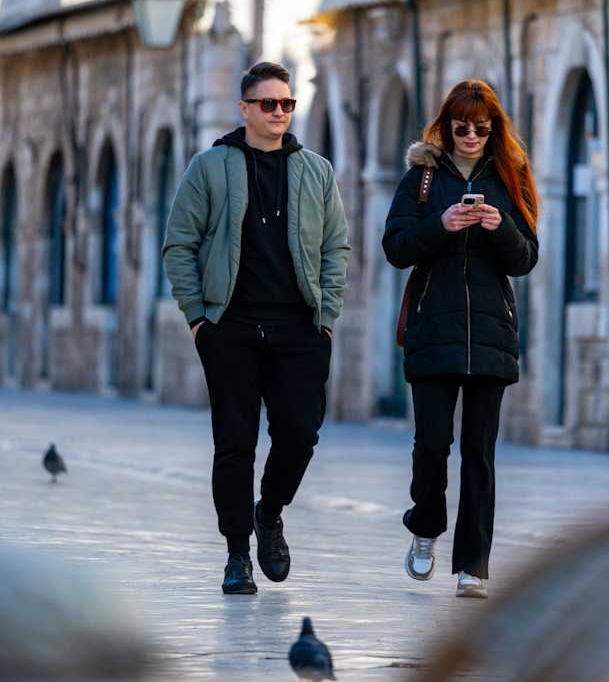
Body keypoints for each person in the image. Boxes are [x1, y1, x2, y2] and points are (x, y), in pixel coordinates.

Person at [163, 61, 350, 595]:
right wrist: (199, 319)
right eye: (268, 103)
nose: (279, 112)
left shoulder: (317, 171)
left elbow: (336, 247)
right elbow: (179, 245)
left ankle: (269, 512)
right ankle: (237, 554)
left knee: (300, 432)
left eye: (287, 103)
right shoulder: (209, 166)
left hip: (299, 328)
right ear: (244, 108)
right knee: (234, 443)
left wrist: (326, 320)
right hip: (231, 326)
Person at [382, 79, 539, 600]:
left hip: (491, 332)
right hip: (432, 328)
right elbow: (396, 247)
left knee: (480, 453)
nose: (471, 137)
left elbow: (526, 257)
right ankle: (426, 525)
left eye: (481, 129)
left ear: (494, 129)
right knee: (432, 446)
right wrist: (442, 224)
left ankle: (473, 566)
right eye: (461, 128)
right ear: (446, 127)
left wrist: (500, 225)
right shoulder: (422, 178)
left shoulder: (511, 176)